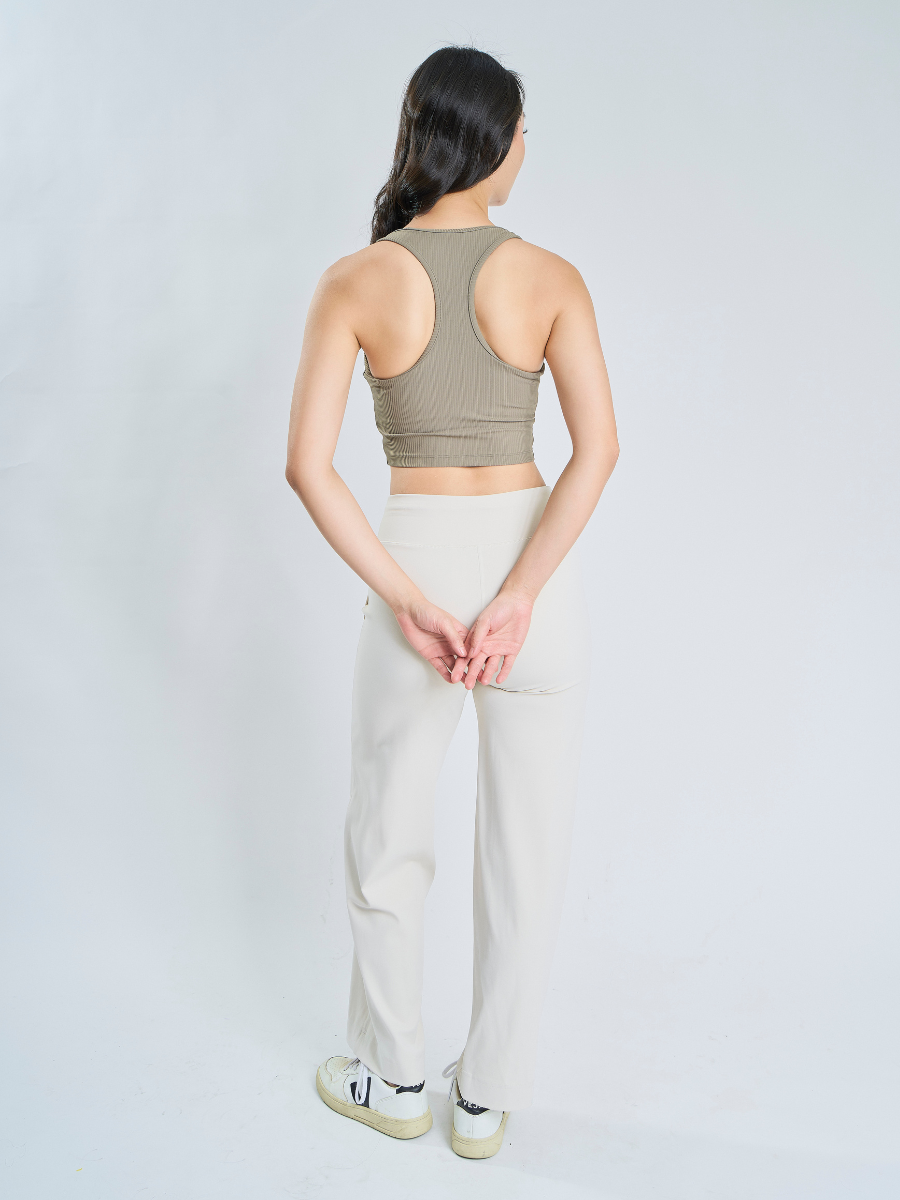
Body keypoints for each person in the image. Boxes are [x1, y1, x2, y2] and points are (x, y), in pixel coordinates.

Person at [286, 45, 619, 1159]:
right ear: (493, 141)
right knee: (527, 850)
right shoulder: (553, 277)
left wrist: (408, 600)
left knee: (388, 835)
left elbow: (307, 468)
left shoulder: (355, 280)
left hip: (416, 563)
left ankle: (393, 1080)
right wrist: (519, 594)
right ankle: (484, 1098)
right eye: (524, 133)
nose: (528, 152)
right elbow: (599, 451)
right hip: (534, 570)